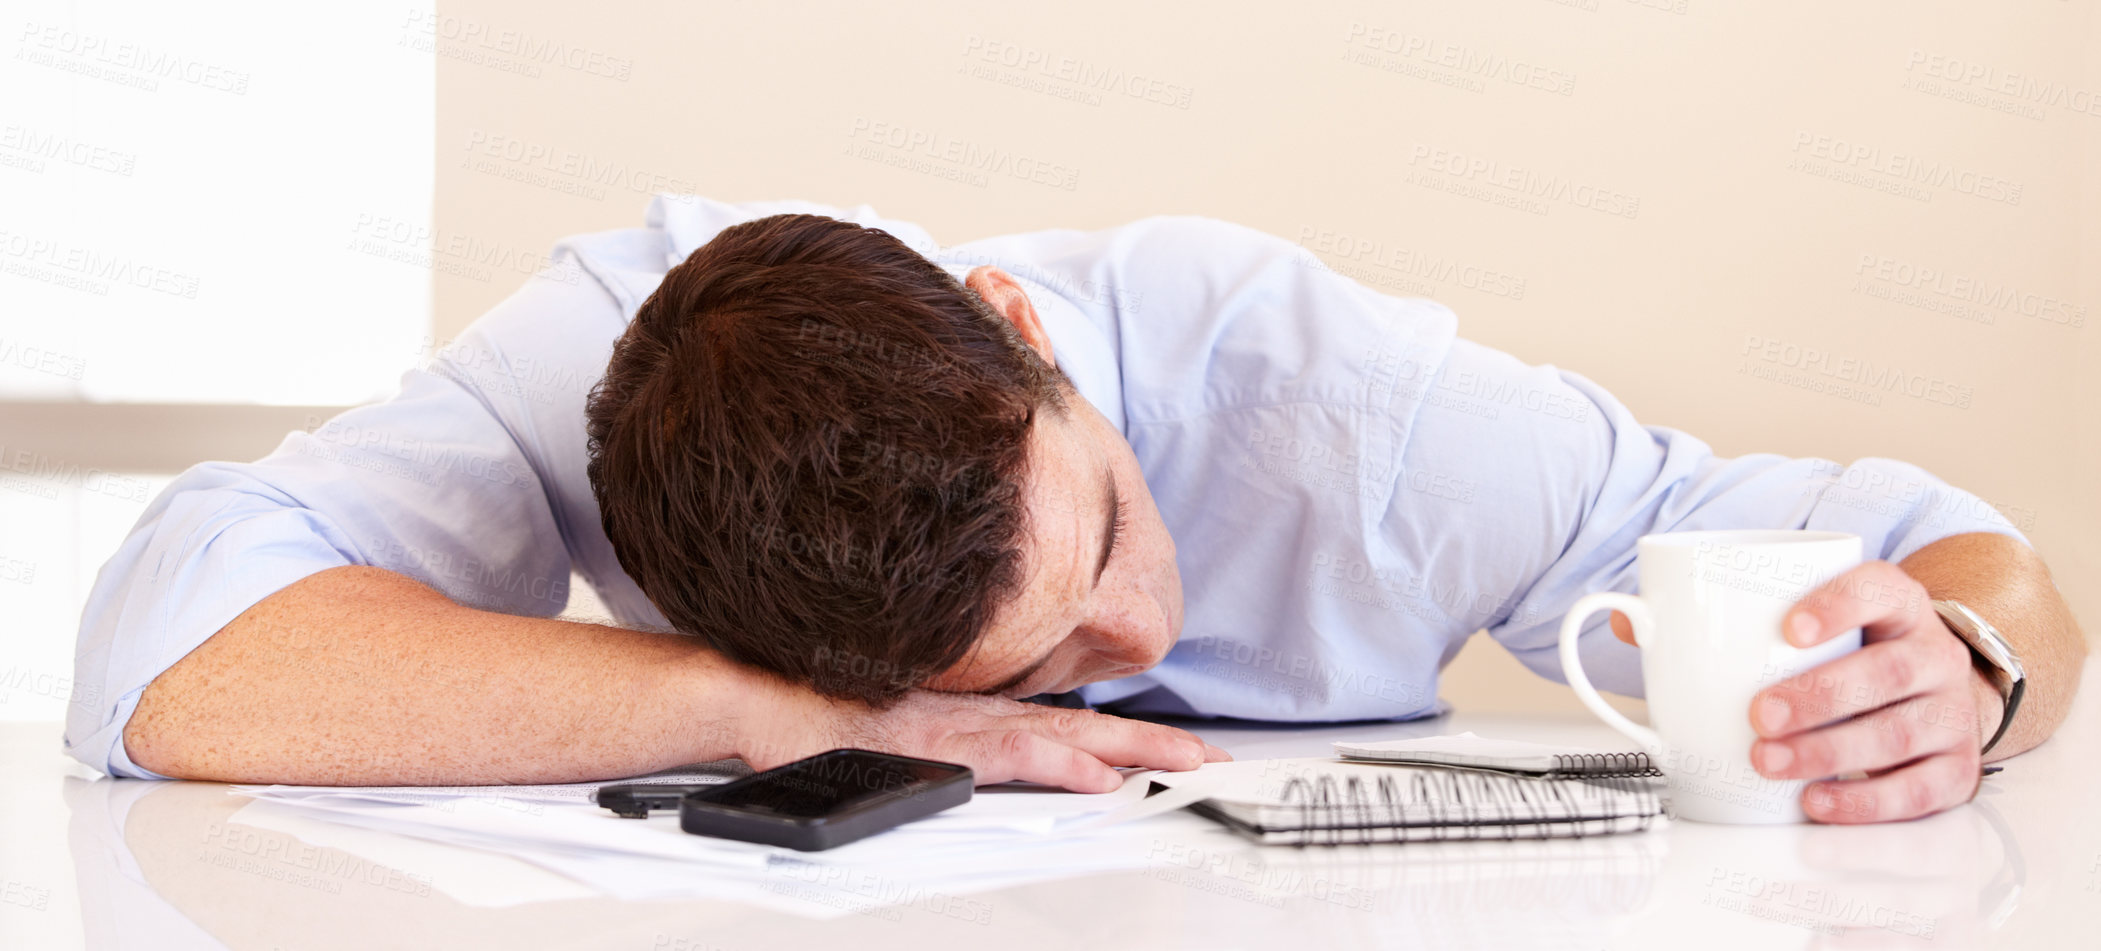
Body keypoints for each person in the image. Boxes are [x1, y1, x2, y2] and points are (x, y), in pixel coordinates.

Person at [70, 197, 2084, 823]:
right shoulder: (591, 379)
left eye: (1105, 539)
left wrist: (1969, 658)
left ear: (1024, 332)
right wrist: (742, 705)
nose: (1113, 642)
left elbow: (1967, 543)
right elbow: (168, 650)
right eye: (1009, 667)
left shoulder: (1348, 411)